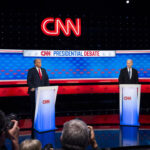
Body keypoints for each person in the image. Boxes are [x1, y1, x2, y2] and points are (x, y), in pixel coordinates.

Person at [27, 59, 50, 138]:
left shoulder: (43, 70)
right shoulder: (31, 70)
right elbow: (29, 81)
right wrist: (32, 87)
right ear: (35, 63)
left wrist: (47, 88)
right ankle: (34, 121)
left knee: (42, 108)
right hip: (34, 93)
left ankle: (41, 120)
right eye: (38, 62)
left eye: (40, 62)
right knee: (34, 109)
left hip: (42, 93)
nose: (40, 63)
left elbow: (46, 80)